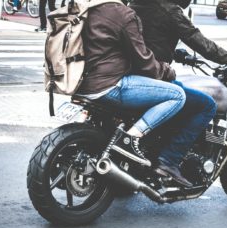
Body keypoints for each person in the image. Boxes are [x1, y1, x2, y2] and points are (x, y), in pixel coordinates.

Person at [129, 0, 227, 186]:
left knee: (183, 92)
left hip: (135, 75)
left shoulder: (137, 4)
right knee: (206, 105)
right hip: (155, 78)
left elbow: (150, 38)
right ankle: (170, 160)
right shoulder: (170, 10)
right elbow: (201, 43)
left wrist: (175, 52)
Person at [77, 1, 186, 168]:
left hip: (81, 83)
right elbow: (144, 61)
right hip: (109, 84)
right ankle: (130, 139)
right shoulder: (123, 14)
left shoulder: (89, 8)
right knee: (178, 95)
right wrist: (166, 71)